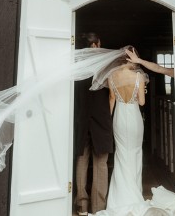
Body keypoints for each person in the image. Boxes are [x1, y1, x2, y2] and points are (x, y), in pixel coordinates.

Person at [74, 31, 113, 215]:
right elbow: (112, 93)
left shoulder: (77, 66)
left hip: (82, 118)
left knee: (82, 160)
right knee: (101, 163)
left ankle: (81, 207)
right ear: (98, 43)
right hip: (101, 119)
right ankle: (98, 209)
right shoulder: (106, 64)